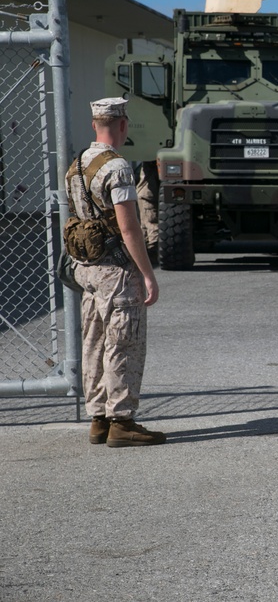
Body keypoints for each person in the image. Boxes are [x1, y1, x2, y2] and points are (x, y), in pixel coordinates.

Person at [66, 97, 164, 447]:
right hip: (117, 272)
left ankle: (98, 418)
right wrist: (148, 274)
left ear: (95, 124)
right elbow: (129, 229)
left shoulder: (77, 164)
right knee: (123, 342)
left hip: (87, 269)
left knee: (93, 342)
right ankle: (121, 420)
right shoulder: (118, 168)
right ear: (123, 125)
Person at [134, 160, 159, 265]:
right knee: (145, 220)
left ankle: (153, 246)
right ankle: (150, 246)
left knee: (149, 219)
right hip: (144, 195)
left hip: (146, 196)